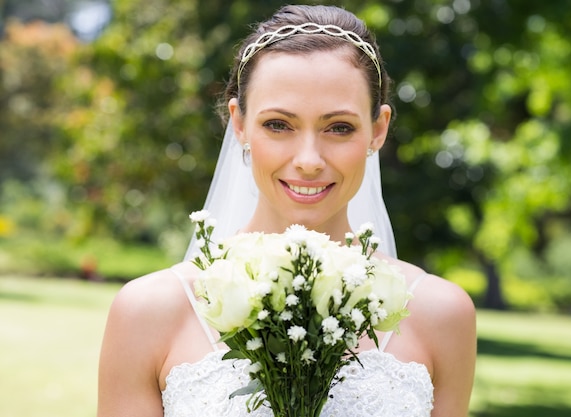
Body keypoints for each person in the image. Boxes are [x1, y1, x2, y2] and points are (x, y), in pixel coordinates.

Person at [97, 4, 476, 417]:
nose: (309, 159)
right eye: (279, 124)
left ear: (378, 129)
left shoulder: (441, 313)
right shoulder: (148, 311)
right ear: (239, 124)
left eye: (339, 127)